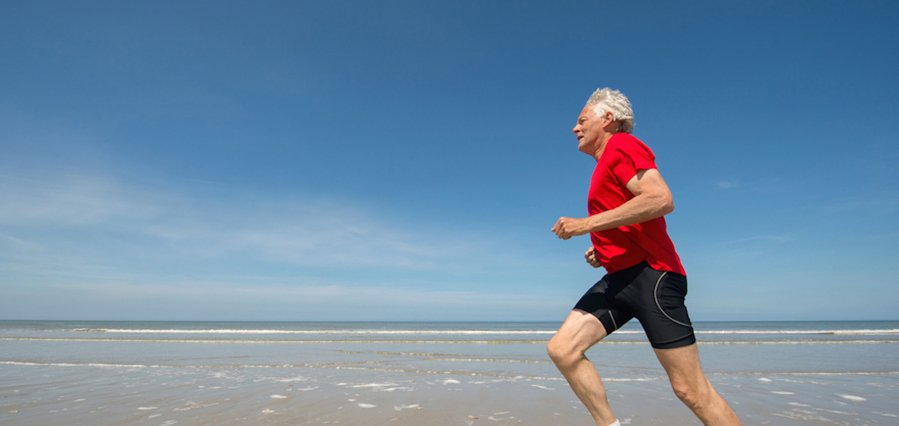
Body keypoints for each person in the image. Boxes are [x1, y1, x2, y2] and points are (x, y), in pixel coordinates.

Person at [547, 88, 742, 426]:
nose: (574, 129)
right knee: (563, 349)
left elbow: (660, 198)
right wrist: (603, 247)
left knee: (690, 390)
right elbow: (628, 215)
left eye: (581, 121)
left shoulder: (621, 145)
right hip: (620, 277)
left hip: (652, 275)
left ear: (608, 119)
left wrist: (586, 224)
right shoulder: (605, 162)